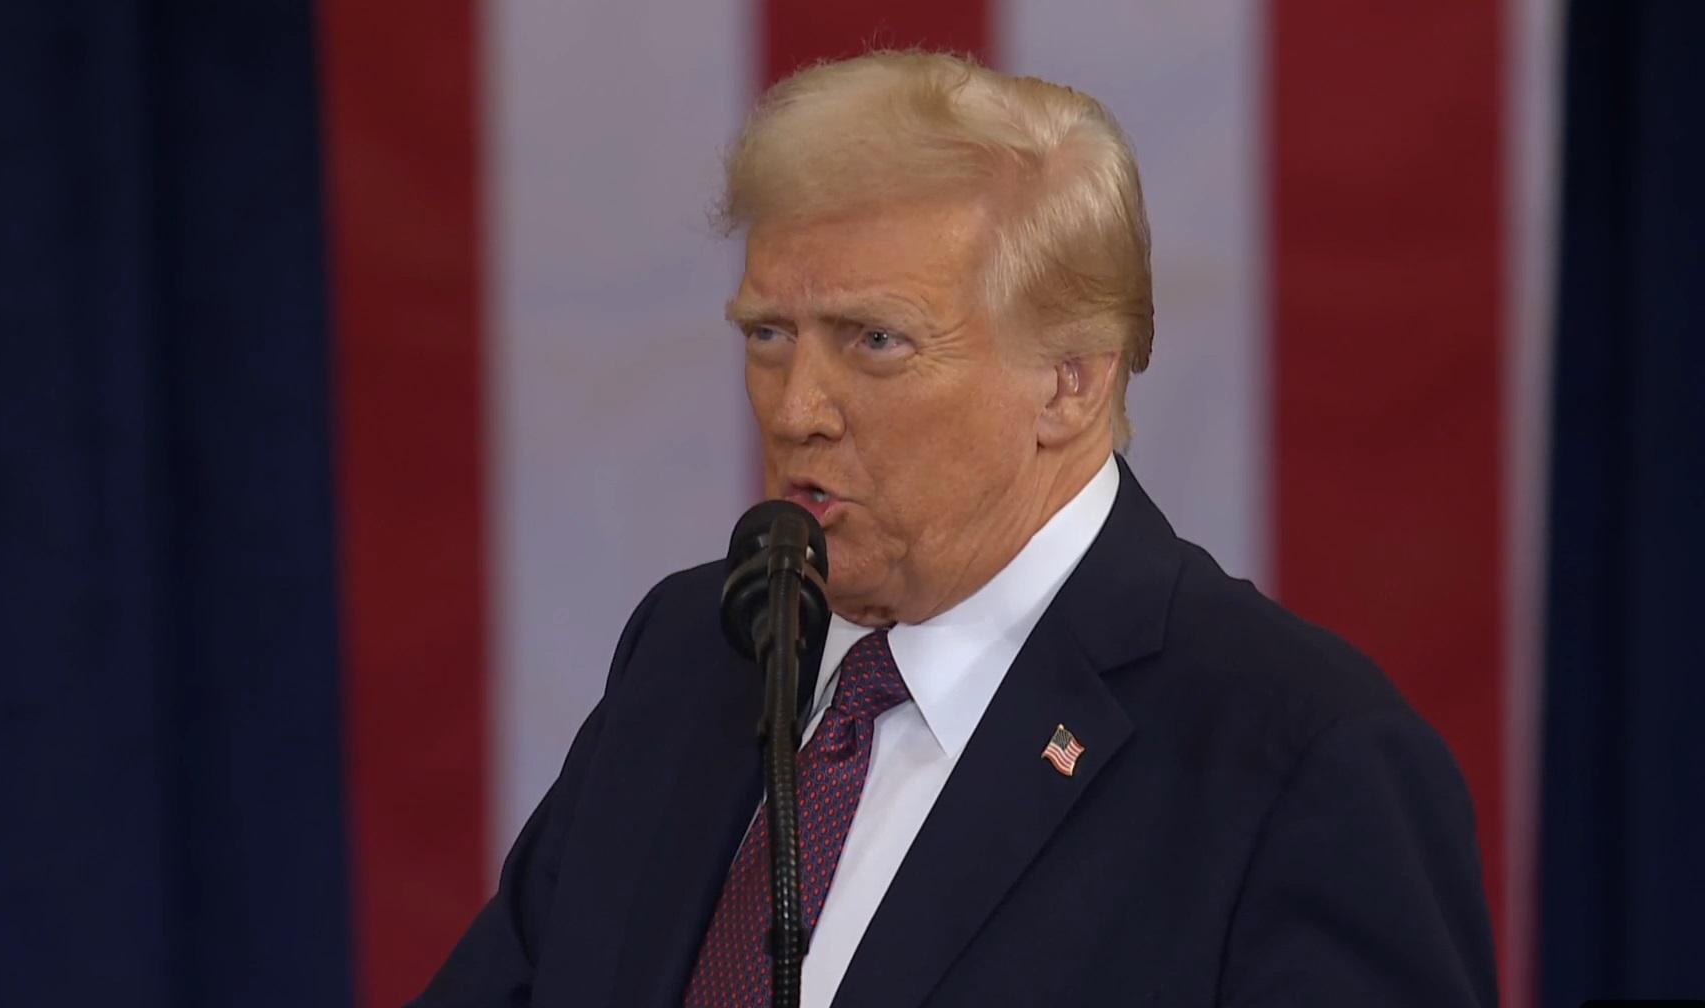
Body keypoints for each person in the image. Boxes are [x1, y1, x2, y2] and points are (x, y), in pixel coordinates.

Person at [418, 50, 1496, 1007]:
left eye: (874, 340)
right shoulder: (696, 649)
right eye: (768, 335)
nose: (796, 409)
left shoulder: (1297, 756)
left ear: (1070, 381)